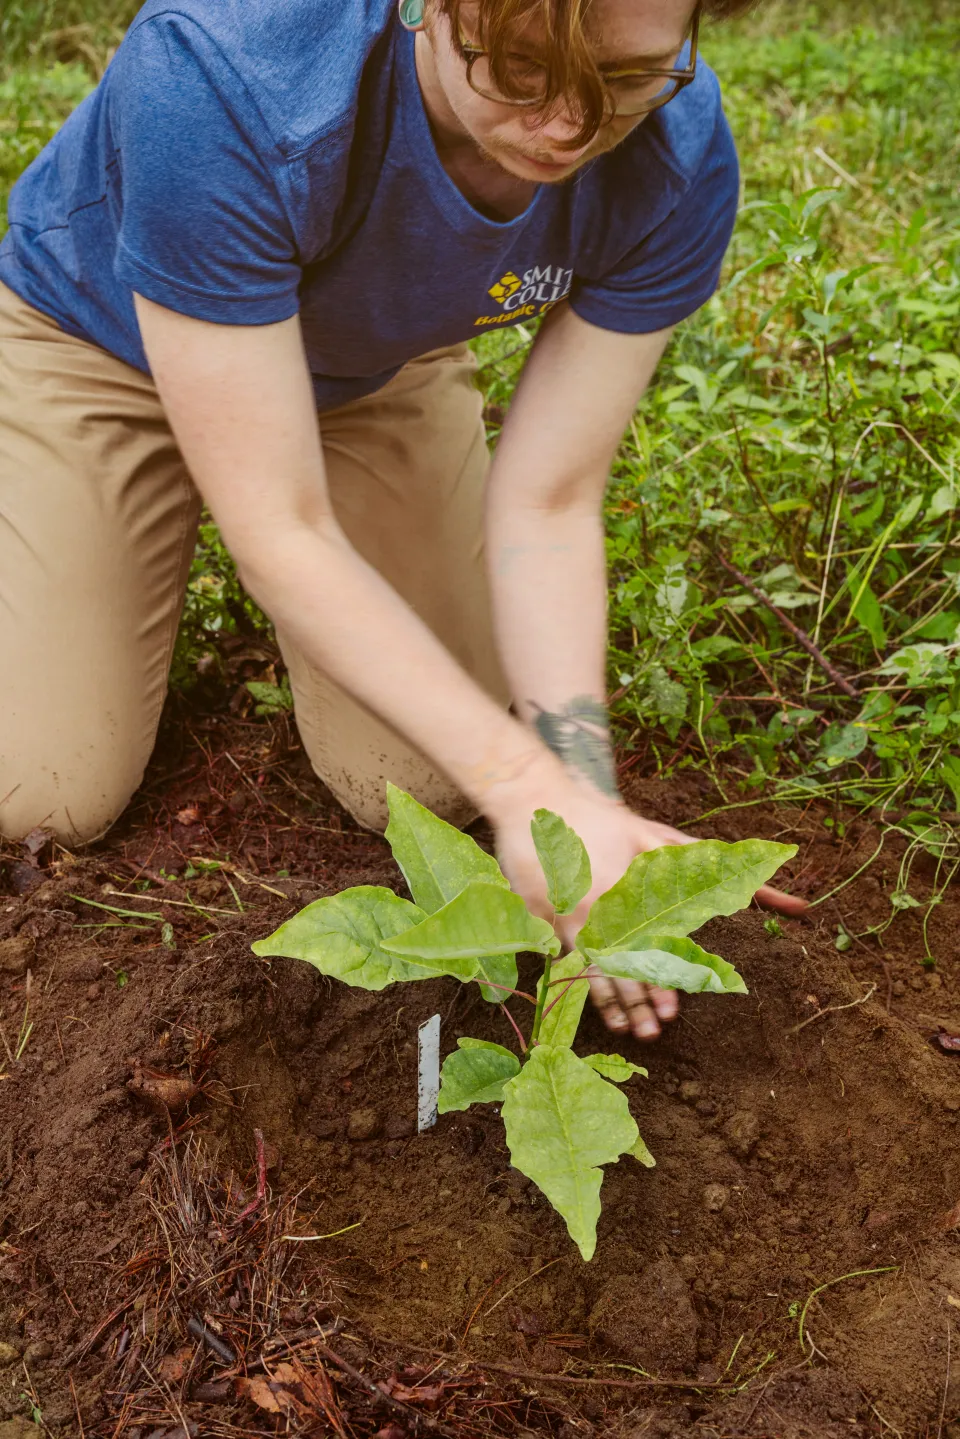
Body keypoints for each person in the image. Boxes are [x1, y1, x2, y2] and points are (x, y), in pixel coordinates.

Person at [0, 0, 804, 1041]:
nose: (568, 124)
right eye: (520, 65)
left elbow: (552, 496)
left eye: (627, 77)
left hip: (364, 369)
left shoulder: (677, 155)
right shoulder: (224, 74)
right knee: (42, 785)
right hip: (99, 340)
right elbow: (279, 528)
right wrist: (518, 778)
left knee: (417, 782)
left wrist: (571, 798)